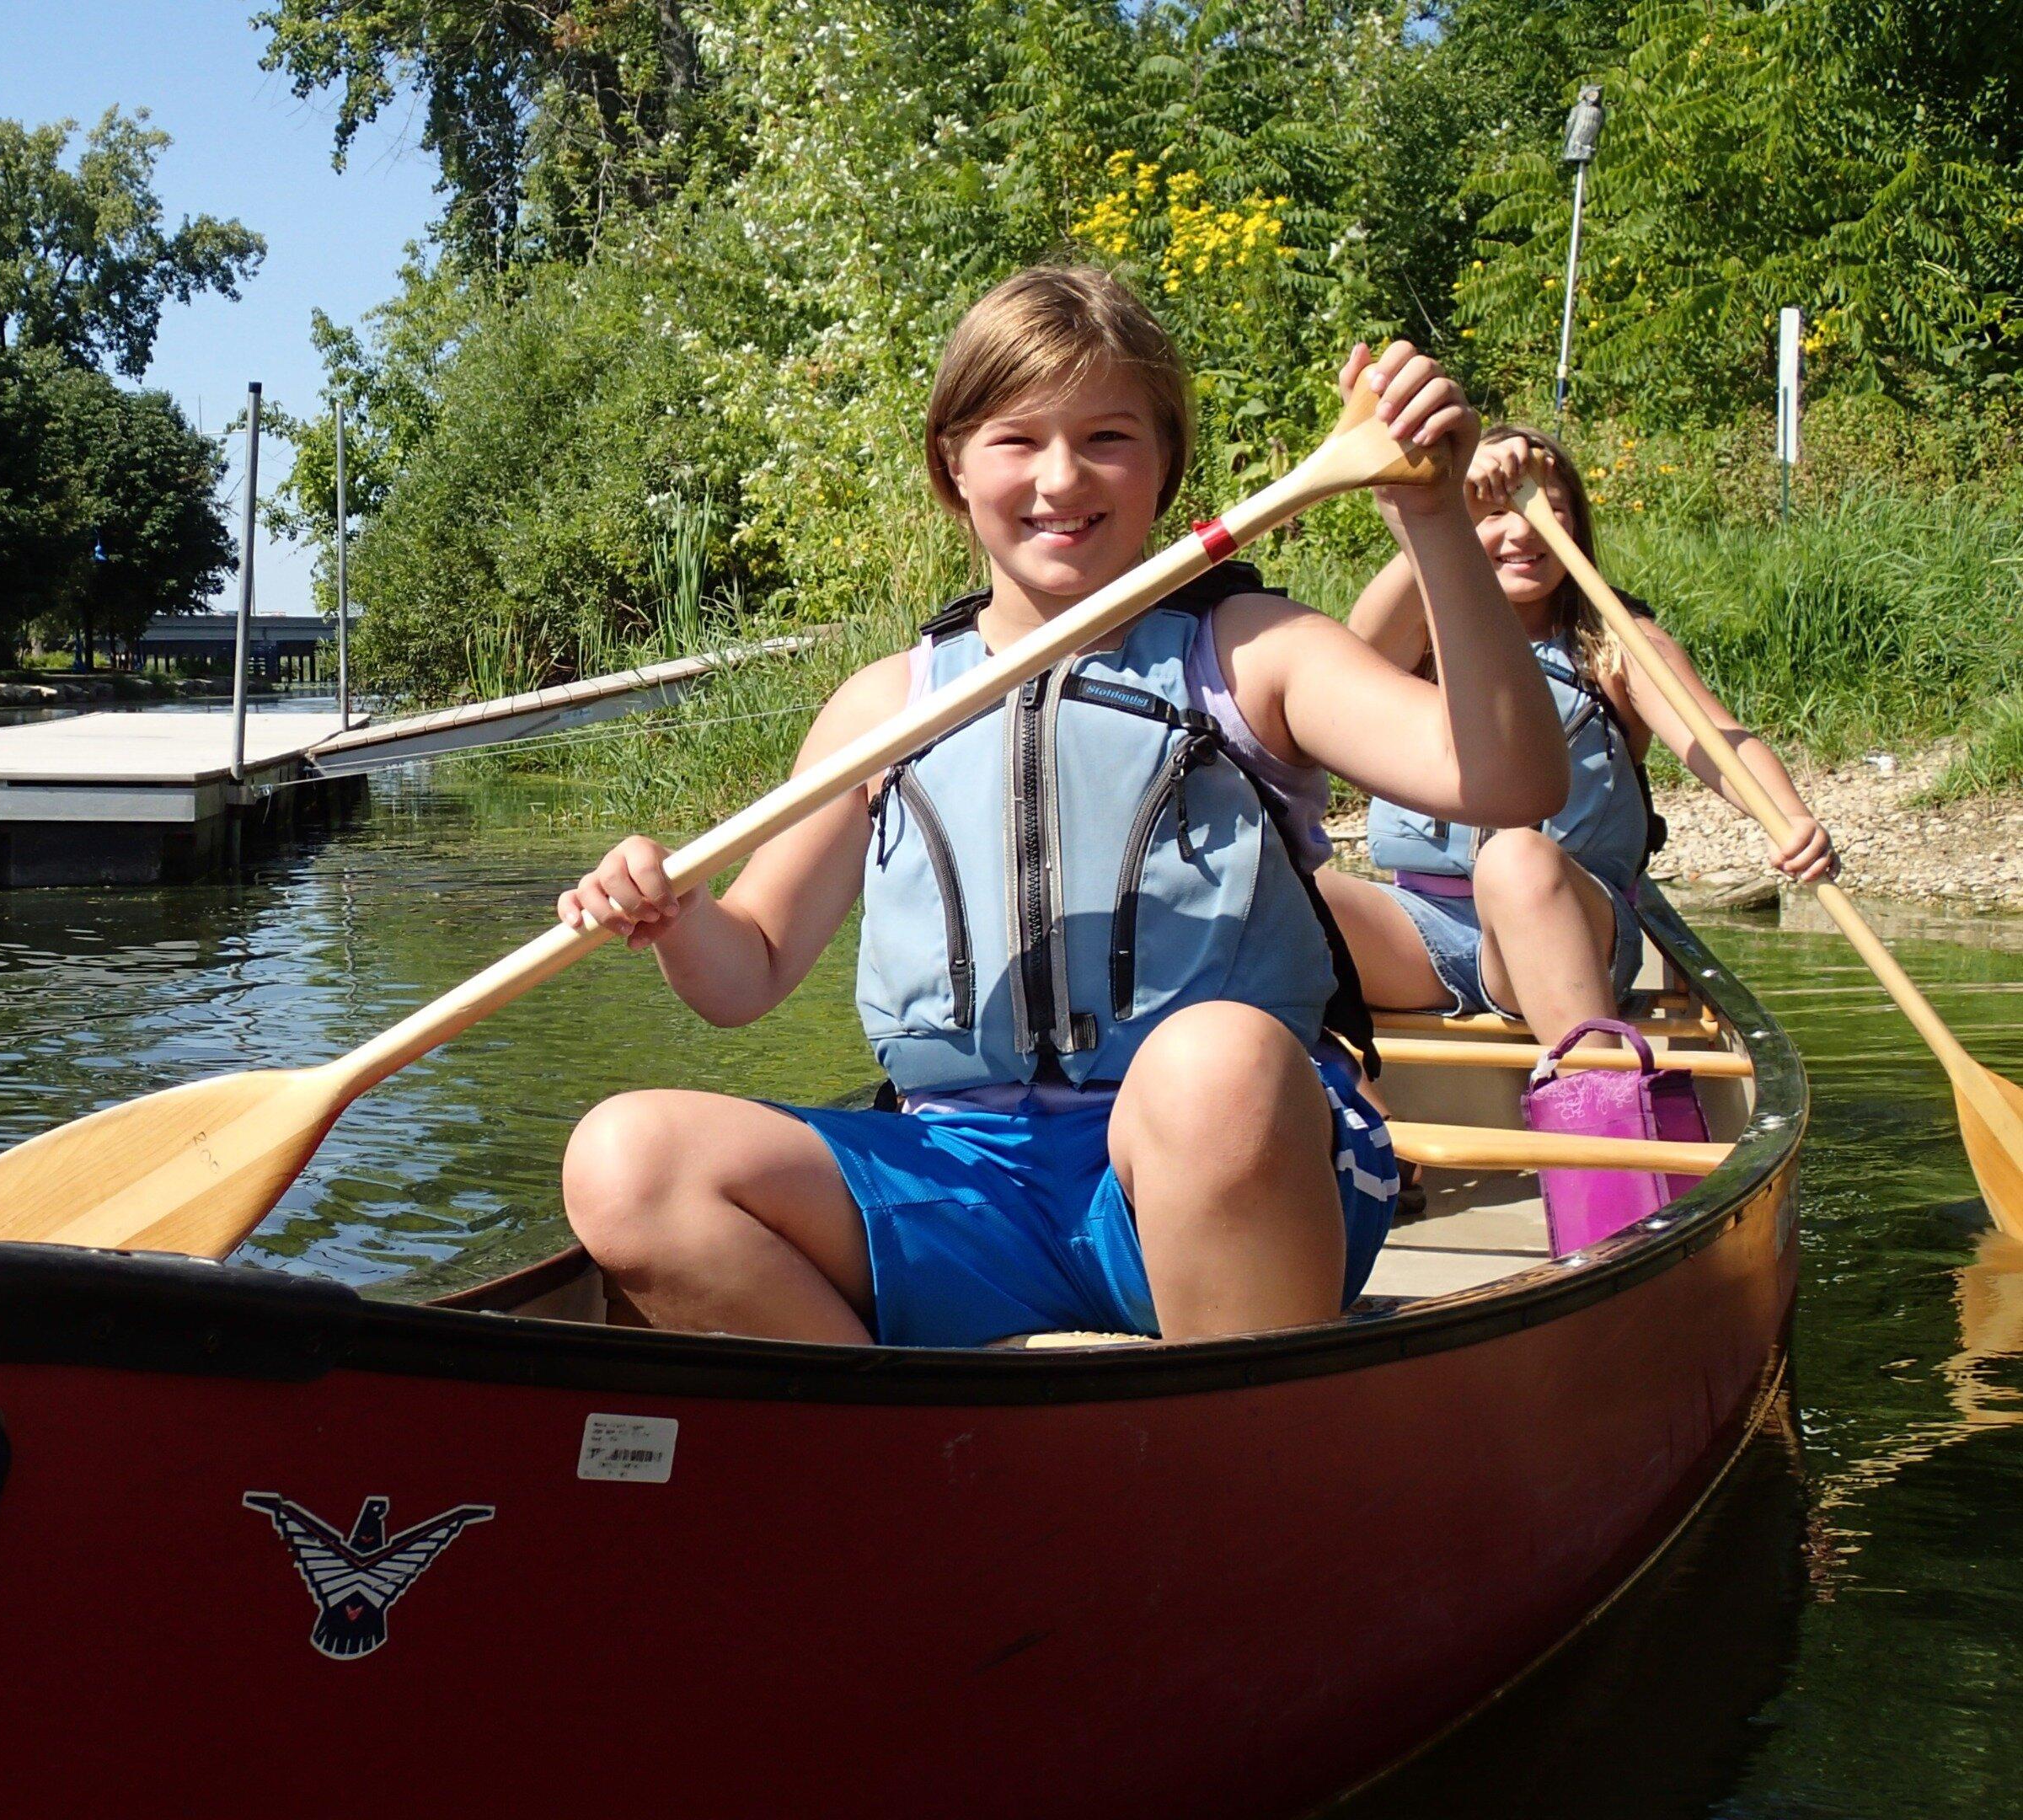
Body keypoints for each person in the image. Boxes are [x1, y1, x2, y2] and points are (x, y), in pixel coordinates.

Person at [554, 265, 1571, 1350]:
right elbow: (744, 971)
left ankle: (1236, 1462)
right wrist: (675, 913)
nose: (1061, 477)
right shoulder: (886, 707)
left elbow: (1510, 781)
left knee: (1213, 1062)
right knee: (626, 1161)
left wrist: (1431, 524)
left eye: (1108, 437)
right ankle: (912, 1461)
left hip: (1225, 1165)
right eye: (1015, 438)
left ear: (1166, 463)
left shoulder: (1250, 651)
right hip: (963, 1179)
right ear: (951, 465)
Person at [1320, 428, 1835, 1052]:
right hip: (1422, 931)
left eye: (1547, 510)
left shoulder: (1614, 641)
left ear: (1576, 528)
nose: (1522, 533)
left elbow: (1715, 739)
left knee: (1514, 860)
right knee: (1290, 885)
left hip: (1569, 923)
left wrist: (1790, 819)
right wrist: (1445, 509)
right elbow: (1354, 656)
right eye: (1493, 516)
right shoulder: (1418, 636)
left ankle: (1599, 1111)